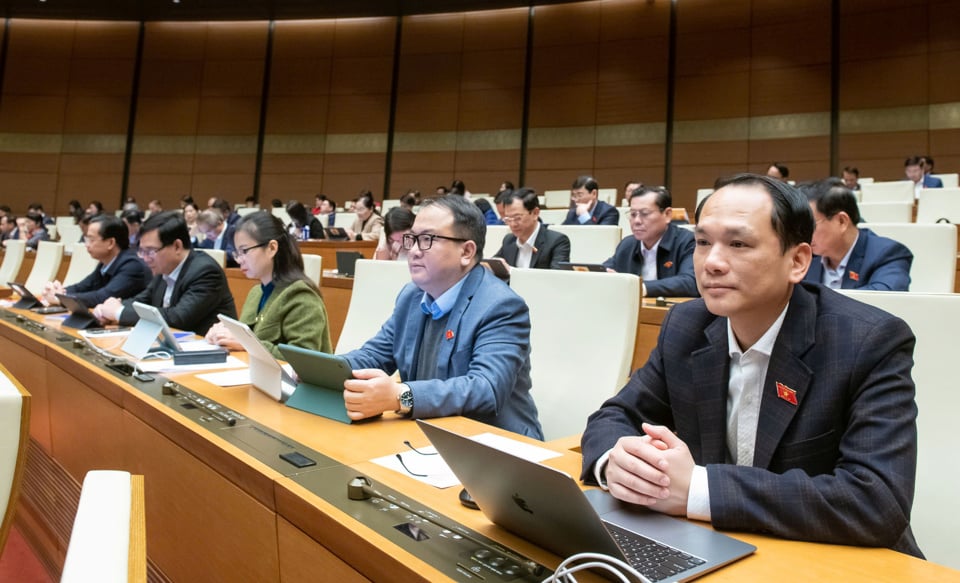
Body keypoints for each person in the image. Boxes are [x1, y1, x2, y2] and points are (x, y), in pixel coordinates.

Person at [580, 173, 922, 557]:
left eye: (738, 244)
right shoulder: (687, 326)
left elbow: (876, 502)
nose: (712, 263)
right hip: (718, 548)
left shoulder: (868, 342)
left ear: (797, 261)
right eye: (703, 242)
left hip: (836, 560)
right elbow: (614, 416)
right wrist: (617, 465)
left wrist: (695, 488)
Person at [341, 195, 543, 439]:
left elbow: (485, 388)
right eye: (412, 239)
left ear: (467, 251)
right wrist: (319, 370)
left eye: (426, 239)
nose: (413, 251)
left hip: (496, 446)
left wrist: (399, 395)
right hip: (427, 435)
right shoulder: (412, 296)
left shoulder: (501, 306)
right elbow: (375, 356)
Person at [205, 212, 332, 358]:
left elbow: (304, 359)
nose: (239, 260)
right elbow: (246, 340)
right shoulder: (256, 292)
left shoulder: (301, 296)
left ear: (272, 248)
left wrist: (246, 342)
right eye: (237, 253)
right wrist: (225, 335)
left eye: (244, 251)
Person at [92, 211, 237, 335]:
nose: (144, 258)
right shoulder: (164, 268)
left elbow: (177, 318)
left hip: (209, 354)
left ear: (177, 246)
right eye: (141, 251)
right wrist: (109, 309)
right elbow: (142, 300)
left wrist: (119, 313)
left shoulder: (205, 272)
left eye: (150, 251)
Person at [802, 181, 912, 291]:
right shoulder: (805, 254)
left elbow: (879, 302)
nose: (802, 234)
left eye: (809, 225)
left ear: (841, 221)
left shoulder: (888, 255)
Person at [602, 186, 698, 297]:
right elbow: (605, 270)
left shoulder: (687, 242)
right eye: (633, 214)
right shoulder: (627, 244)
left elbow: (690, 282)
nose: (636, 221)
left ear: (667, 214)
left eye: (645, 213)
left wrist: (639, 287)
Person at [41, 215, 151, 308]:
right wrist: (59, 292)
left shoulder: (132, 266)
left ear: (111, 243)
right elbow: (83, 286)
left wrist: (61, 299)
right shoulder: (106, 262)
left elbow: (102, 297)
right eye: (86, 239)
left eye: (91, 240)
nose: (86, 245)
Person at [492, 188, 570, 269]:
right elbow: (493, 263)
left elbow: (557, 277)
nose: (512, 224)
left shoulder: (557, 241)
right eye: (508, 219)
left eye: (517, 218)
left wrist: (512, 272)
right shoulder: (509, 240)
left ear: (535, 213)